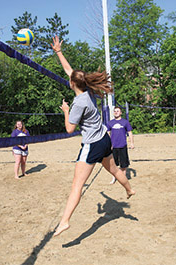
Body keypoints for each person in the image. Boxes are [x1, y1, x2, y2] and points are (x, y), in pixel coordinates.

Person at [51, 36, 135, 236]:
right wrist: (58, 52)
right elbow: (69, 70)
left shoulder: (79, 103)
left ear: (72, 84)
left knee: (77, 185)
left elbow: (70, 130)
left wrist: (65, 110)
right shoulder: (87, 90)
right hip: (104, 140)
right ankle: (130, 190)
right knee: (114, 170)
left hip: (91, 146)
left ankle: (64, 221)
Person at [106, 106, 135, 184]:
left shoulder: (125, 122)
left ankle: (123, 178)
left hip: (122, 145)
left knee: (123, 164)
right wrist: (107, 144)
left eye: (118, 111)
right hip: (113, 146)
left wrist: (132, 143)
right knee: (113, 164)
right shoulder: (110, 123)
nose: (116, 112)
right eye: (115, 111)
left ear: (121, 112)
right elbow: (108, 134)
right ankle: (114, 178)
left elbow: (130, 133)